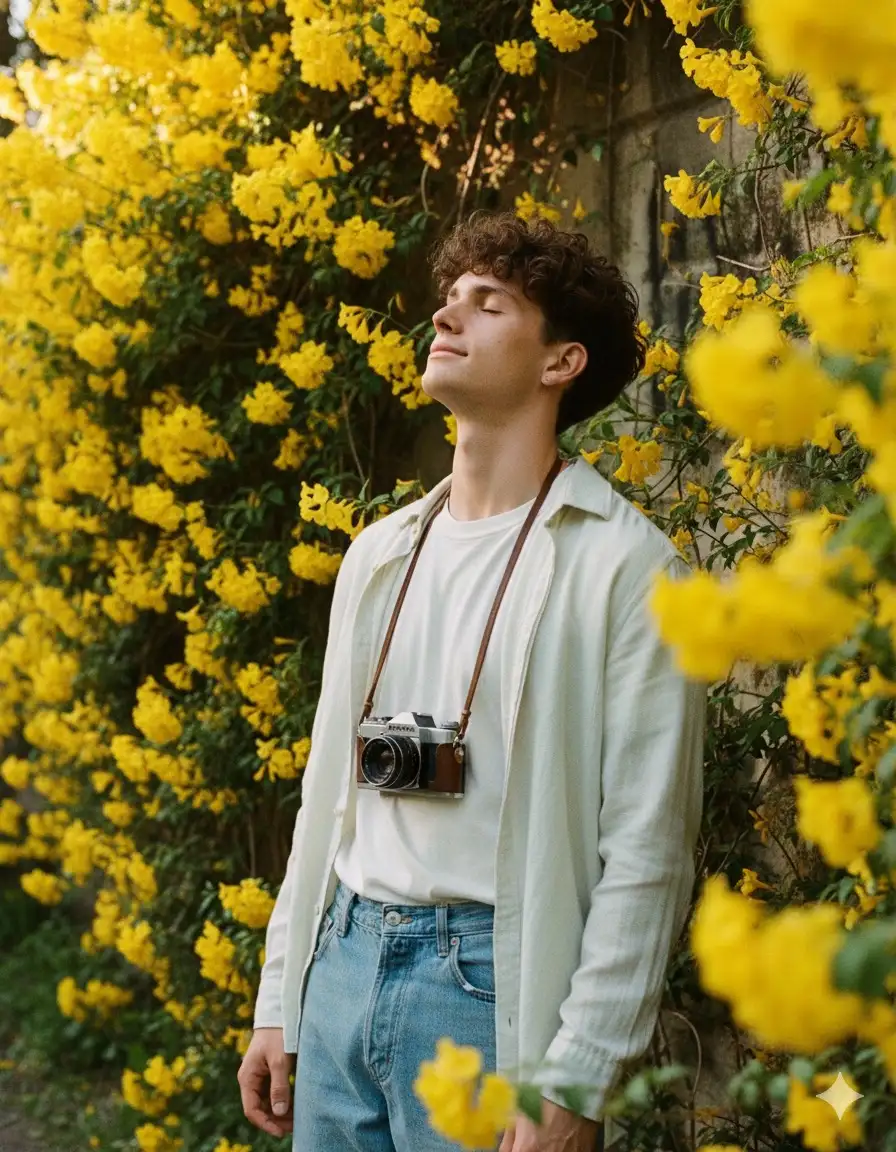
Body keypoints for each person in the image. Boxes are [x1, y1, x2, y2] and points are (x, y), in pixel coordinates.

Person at [238, 210, 705, 1152]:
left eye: (488, 305)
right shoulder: (378, 554)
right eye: (450, 298)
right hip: (341, 961)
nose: (447, 316)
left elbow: (648, 849)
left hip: (487, 990)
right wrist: (280, 995)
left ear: (560, 362)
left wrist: (576, 1078)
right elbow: (326, 796)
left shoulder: (629, 570)